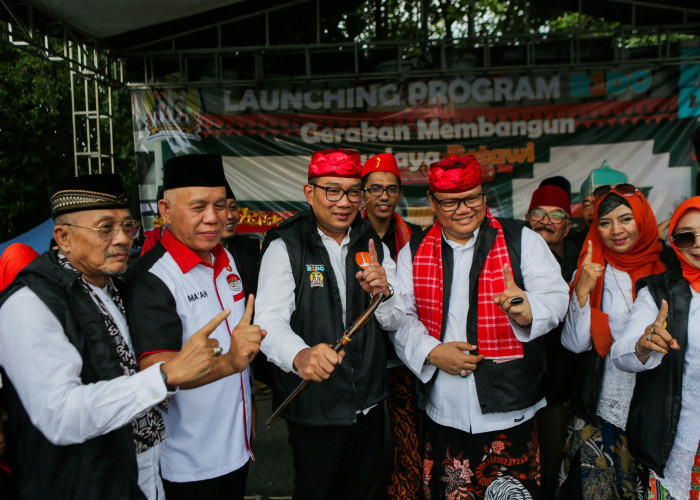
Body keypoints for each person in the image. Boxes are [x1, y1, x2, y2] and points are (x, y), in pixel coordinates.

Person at [0, 173, 226, 499]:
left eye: (128, 226)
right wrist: (163, 376)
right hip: (80, 482)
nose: (122, 239)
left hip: (140, 469)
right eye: (105, 228)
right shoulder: (30, 305)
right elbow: (61, 416)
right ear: (63, 237)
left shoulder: (115, 285)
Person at [394, 155, 569, 499]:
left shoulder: (522, 239)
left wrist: (527, 309)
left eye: (472, 198)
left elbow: (557, 296)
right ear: (432, 201)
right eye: (450, 202)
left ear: (485, 195)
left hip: (510, 410)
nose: (463, 209)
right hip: (444, 407)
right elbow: (400, 317)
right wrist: (431, 351)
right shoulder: (414, 250)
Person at [255, 148, 405, 500]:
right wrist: (300, 355)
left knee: (367, 491)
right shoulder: (286, 245)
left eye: (354, 191)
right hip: (315, 408)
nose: (344, 201)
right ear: (310, 193)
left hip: (368, 405)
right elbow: (268, 322)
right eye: (332, 190)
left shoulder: (371, 242)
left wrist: (385, 292)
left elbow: (395, 319)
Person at [124, 155, 264, 499]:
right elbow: (157, 371)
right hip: (186, 463)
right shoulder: (152, 278)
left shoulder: (226, 257)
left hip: (237, 447)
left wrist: (249, 404)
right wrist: (230, 362)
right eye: (198, 207)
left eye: (220, 205)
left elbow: (239, 348)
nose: (214, 218)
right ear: (165, 210)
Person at [559, 183, 668, 499]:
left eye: (625, 219)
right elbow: (575, 345)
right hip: (602, 407)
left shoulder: (671, 266)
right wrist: (582, 290)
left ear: (642, 219)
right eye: (604, 223)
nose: (616, 230)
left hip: (654, 412)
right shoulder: (591, 267)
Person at [611, 196, 700, 500]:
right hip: (682, 440)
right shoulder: (659, 291)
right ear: (675, 242)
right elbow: (621, 353)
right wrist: (643, 344)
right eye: (687, 236)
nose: (697, 244)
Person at [361, 152, 422, 499]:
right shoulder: (349, 234)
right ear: (363, 193)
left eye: (391, 189)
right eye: (375, 189)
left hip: (402, 356)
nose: (384, 196)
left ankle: (406, 493)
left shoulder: (414, 238)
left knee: (407, 433)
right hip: (362, 357)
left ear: (400, 194)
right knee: (365, 441)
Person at [525, 179, 578, 499]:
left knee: (553, 467)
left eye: (556, 214)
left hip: (562, 387)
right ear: (527, 220)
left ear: (568, 226)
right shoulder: (509, 259)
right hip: (516, 384)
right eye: (538, 213)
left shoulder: (582, 263)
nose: (545, 220)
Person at [571, 161, 629, 249]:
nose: (591, 212)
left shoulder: (641, 243)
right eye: (587, 205)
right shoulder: (575, 247)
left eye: (598, 203)